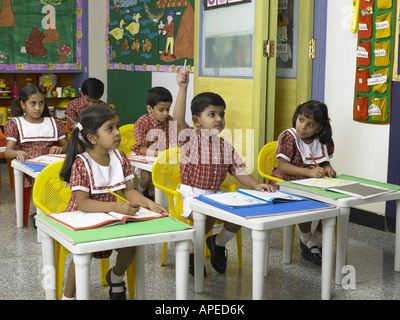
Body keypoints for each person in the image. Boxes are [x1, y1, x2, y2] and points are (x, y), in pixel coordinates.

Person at [60, 104, 167, 300]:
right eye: (110, 128)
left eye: (117, 127)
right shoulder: (81, 164)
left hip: (113, 216)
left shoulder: (120, 157)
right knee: (81, 257)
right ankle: (68, 297)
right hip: (85, 218)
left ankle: (116, 277)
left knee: (130, 246)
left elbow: (128, 191)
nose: (117, 133)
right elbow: (83, 204)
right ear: (92, 138)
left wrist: (148, 203)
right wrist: (117, 207)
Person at [173, 70, 275, 275]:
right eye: (212, 114)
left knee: (244, 211)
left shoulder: (225, 146)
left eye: (221, 114)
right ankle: (194, 254)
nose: (219, 119)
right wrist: (183, 87)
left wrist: (256, 185)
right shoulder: (189, 138)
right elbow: (176, 120)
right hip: (191, 194)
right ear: (197, 120)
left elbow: (238, 170)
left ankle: (218, 243)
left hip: (215, 195)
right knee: (205, 215)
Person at [270, 100, 336, 264]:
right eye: (301, 120)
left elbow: (323, 161)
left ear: (319, 128)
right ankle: (308, 241)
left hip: (311, 184)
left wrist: (328, 167)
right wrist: (309, 172)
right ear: (296, 117)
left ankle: (313, 242)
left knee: (337, 206)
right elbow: (283, 166)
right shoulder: (289, 137)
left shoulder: (322, 141)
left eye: (310, 124)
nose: (303, 127)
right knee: (305, 205)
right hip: (286, 184)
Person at [4, 84, 68, 189]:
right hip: (27, 170)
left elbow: (67, 145)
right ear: (23, 105)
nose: (38, 108)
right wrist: (18, 152)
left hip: (50, 168)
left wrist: (60, 148)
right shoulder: (16, 124)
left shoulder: (53, 123)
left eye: (41, 103)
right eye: (33, 103)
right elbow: (8, 152)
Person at [131, 86, 177, 198]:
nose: (165, 113)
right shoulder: (142, 122)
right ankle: (138, 193)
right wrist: (162, 154)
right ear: (149, 109)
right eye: (161, 110)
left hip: (161, 156)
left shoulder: (170, 120)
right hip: (142, 157)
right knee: (148, 176)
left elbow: (175, 141)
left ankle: (152, 194)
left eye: (168, 109)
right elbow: (142, 149)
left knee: (170, 175)